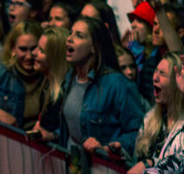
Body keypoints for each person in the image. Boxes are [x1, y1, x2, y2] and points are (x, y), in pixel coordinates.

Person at [60, 17, 144, 154]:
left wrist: (108, 148)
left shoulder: (118, 85)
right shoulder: (70, 77)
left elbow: (138, 132)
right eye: (71, 33)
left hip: (103, 168)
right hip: (72, 163)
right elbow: (70, 127)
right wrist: (53, 135)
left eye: (79, 36)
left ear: (94, 47)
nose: (69, 38)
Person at [123, 53, 184, 174]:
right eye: (155, 71)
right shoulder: (151, 118)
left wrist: (150, 164)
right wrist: (120, 154)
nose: (154, 78)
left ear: (179, 82)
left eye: (162, 74)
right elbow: (136, 162)